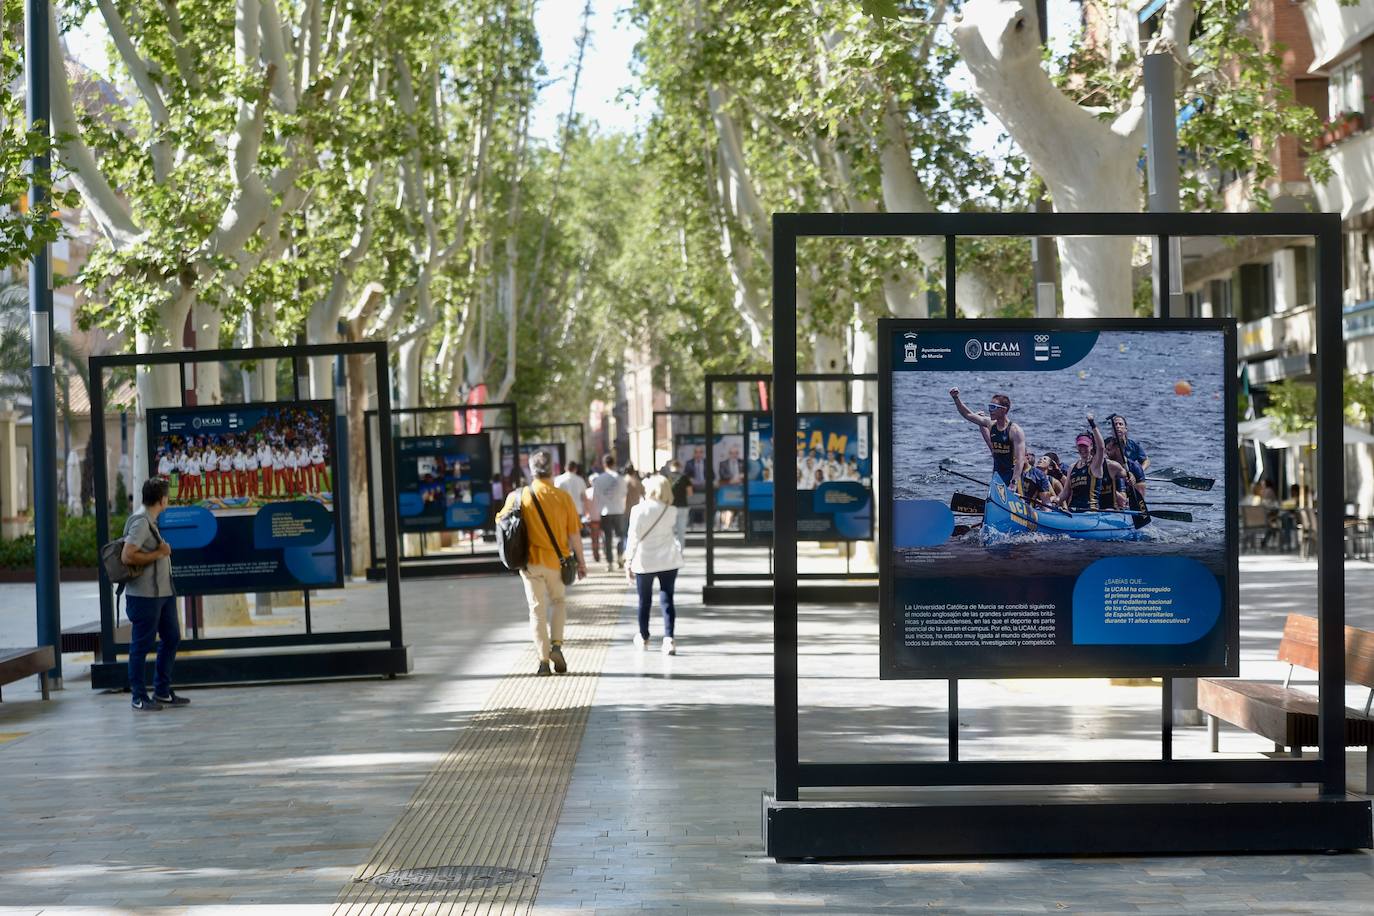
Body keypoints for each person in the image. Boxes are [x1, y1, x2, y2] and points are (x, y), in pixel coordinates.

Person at [497, 450, 586, 675]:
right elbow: (574, 534)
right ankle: (557, 645)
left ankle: (543, 660)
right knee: (558, 602)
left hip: (530, 564)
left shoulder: (518, 496)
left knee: (536, 610)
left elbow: (501, 521)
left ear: (532, 471)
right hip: (558, 562)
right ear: (553, 470)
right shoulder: (563, 497)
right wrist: (582, 563)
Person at [120, 479, 187, 711]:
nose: (167, 500)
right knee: (141, 645)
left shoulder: (150, 521)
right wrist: (159, 553)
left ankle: (161, 690)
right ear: (162, 500)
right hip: (145, 596)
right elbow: (127, 556)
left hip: (163, 593)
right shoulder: (140, 522)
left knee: (172, 637)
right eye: (167, 497)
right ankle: (138, 697)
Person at [624, 474, 685, 655]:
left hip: (645, 561)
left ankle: (644, 636)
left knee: (644, 601)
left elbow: (633, 538)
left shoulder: (638, 510)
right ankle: (669, 639)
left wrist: (628, 561)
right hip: (668, 560)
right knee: (667, 599)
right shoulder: (671, 510)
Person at [950, 388, 1025, 489]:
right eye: (989, 406)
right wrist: (956, 398)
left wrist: (1013, 482)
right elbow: (968, 415)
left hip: (1012, 476)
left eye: (993, 407)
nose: (990, 410)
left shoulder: (1015, 431)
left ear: (1004, 409)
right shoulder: (990, 424)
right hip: (997, 475)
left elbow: (1020, 460)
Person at [590, 454, 628, 569]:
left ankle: (610, 562)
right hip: (618, 510)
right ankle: (620, 557)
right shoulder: (620, 478)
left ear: (604, 464)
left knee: (607, 537)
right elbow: (624, 494)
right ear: (614, 463)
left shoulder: (599, 479)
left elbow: (595, 496)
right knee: (620, 535)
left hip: (605, 511)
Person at [666, 458, 692, 548]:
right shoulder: (684, 478)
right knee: (681, 532)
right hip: (682, 506)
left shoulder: (667, 478)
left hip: (670, 507)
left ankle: (672, 552)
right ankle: (680, 553)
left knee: (670, 532)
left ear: (671, 467)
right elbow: (690, 493)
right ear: (679, 467)